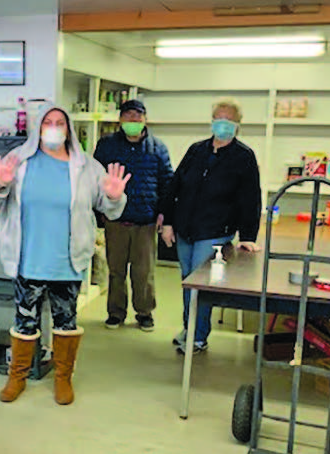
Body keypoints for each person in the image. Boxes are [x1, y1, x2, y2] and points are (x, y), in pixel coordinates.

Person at [0, 106, 129, 405]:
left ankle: (63, 377)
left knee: (66, 322)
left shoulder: (87, 166)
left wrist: (114, 196)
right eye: (47, 122)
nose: (53, 127)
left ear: (69, 129)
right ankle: (17, 377)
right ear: (37, 127)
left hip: (68, 260)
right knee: (24, 322)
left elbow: (110, 208)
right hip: (28, 257)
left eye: (60, 123)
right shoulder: (18, 161)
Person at [161, 98, 262, 354]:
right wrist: (168, 221)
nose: (223, 124)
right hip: (186, 228)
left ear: (238, 125)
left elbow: (251, 199)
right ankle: (190, 327)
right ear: (212, 120)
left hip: (215, 232)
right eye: (219, 118)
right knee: (187, 281)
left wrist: (248, 235)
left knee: (201, 284)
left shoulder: (244, 157)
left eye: (229, 120)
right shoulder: (196, 150)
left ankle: (198, 335)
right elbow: (176, 186)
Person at [94, 99, 173, 331]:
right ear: (120, 120)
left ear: (145, 119)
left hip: (146, 220)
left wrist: (164, 214)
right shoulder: (107, 146)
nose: (133, 121)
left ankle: (144, 312)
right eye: (128, 116)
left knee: (144, 272)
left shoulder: (158, 148)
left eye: (138, 116)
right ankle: (116, 312)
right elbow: (95, 178)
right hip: (115, 219)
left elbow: (167, 182)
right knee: (116, 270)